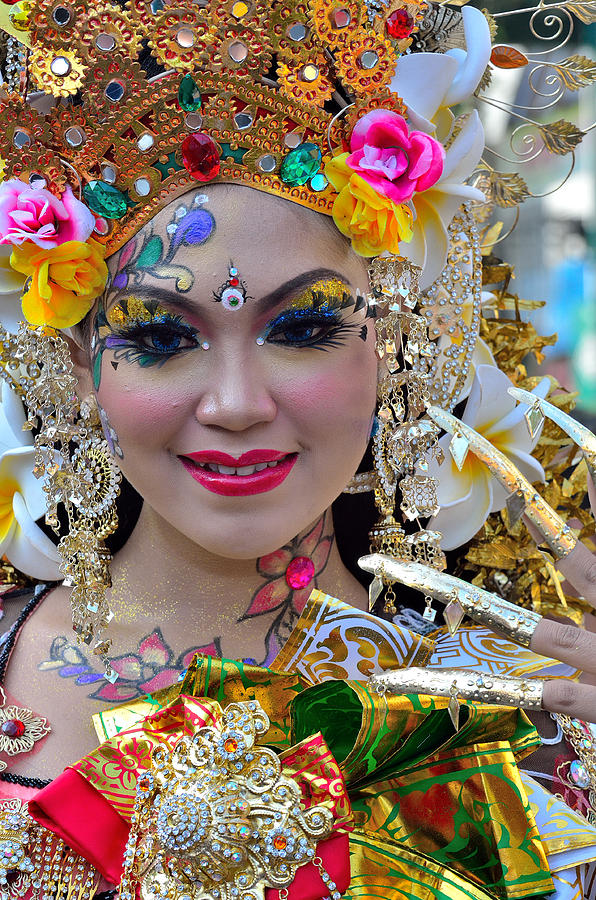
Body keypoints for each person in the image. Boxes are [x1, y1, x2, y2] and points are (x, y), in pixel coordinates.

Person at [0, 0, 595, 897]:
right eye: (160, 337)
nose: (236, 405)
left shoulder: (538, 715)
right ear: (82, 370)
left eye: (307, 328)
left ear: (393, 349)